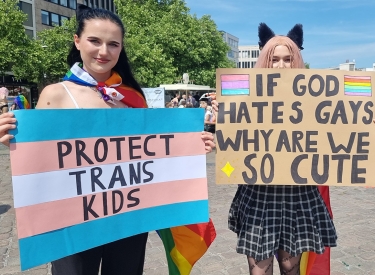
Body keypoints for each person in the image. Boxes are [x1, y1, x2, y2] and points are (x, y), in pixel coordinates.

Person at [0, 5, 215, 275]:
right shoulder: (56, 94)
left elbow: (153, 155)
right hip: (73, 221)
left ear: (121, 48)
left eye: (113, 44)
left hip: (127, 217)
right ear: (77, 41)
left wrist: (192, 148)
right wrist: (17, 142)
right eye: (94, 41)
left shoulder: (132, 97)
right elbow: (44, 159)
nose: (104, 51)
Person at [227, 23, 337, 275]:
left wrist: (364, 126)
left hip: (297, 192)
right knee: (260, 268)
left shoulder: (317, 98)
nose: (281, 65)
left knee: (291, 267)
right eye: (274, 58)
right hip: (259, 192)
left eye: (288, 59)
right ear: (264, 60)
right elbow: (232, 151)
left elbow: (334, 138)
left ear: (297, 59)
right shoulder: (244, 95)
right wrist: (217, 144)